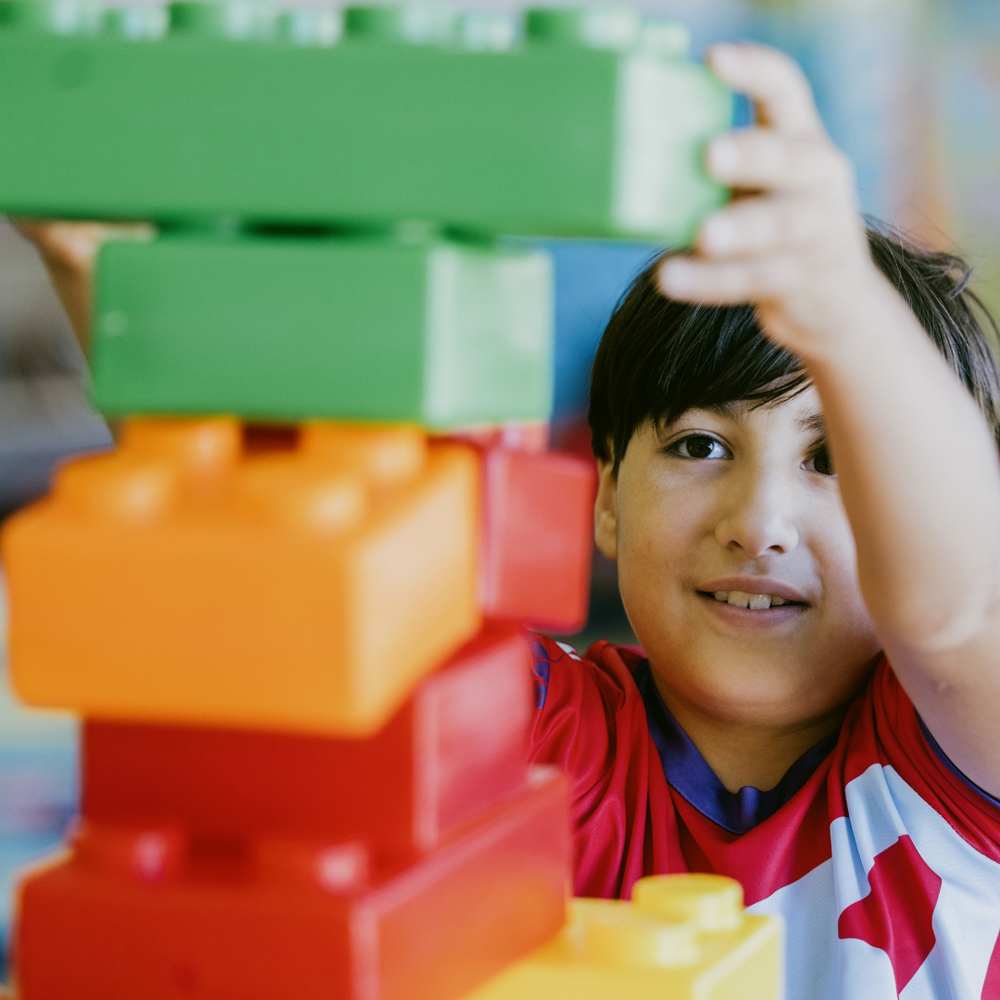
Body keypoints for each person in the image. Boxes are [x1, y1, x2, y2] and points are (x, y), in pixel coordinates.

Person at [16, 42, 1000, 999]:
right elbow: (287, 554)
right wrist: (105, 274)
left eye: (835, 462)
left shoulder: (951, 765)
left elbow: (956, 608)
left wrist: (846, 310)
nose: (758, 522)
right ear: (605, 496)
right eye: (700, 446)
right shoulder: (541, 739)